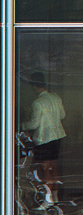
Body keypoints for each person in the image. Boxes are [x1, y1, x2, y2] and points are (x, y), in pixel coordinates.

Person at [20, 71, 66, 207]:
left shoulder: (37, 103)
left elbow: (34, 124)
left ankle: (48, 200)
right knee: (54, 167)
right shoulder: (56, 97)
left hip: (44, 138)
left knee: (45, 169)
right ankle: (56, 197)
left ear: (34, 86)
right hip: (58, 136)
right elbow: (63, 115)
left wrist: (21, 125)